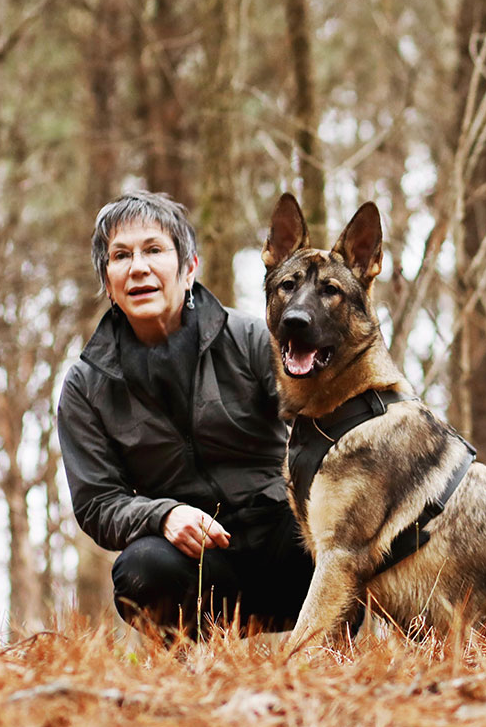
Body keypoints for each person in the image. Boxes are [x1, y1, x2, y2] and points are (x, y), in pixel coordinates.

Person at [58, 191, 313, 638]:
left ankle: (331, 652)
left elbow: (318, 422)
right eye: (121, 255)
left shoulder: (250, 338)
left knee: (336, 531)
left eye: (154, 250)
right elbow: (97, 503)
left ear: (189, 267)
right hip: (198, 563)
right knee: (140, 569)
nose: (138, 267)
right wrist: (163, 516)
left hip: (283, 543)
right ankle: (193, 672)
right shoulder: (86, 385)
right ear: (108, 279)